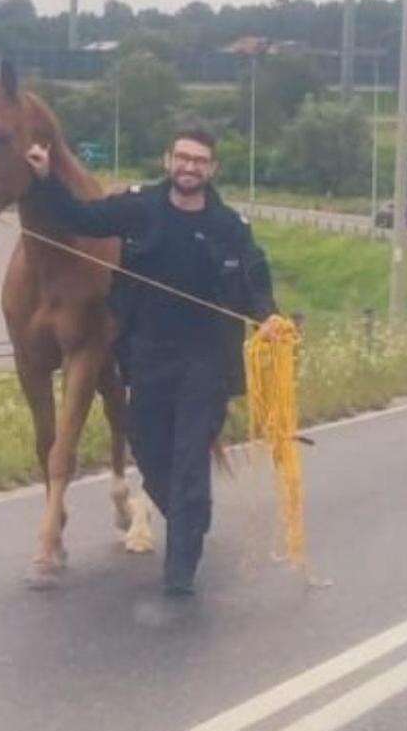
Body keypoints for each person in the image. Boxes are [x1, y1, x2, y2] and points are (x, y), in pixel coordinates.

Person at [24, 126, 280, 596]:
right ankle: (191, 519)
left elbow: (254, 282)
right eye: (183, 157)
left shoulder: (230, 227)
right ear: (168, 161)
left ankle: (180, 570)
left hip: (205, 364)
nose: (189, 167)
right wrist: (44, 178)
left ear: (212, 169)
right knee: (147, 448)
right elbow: (79, 217)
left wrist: (268, 318)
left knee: (188, 461)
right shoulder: (139, 208)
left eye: (200, 161)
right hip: (147, 360)